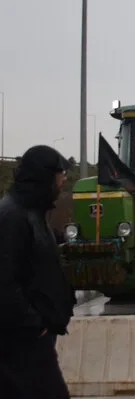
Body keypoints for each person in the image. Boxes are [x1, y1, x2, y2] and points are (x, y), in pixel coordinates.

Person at [0, 145, 75, 399]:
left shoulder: (34, 212)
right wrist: (35, 325)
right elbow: (5, 283)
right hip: (21, 343)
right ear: (44, 176)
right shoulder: (13, 216)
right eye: (60, 173)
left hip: (34, 341)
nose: (64, 179)